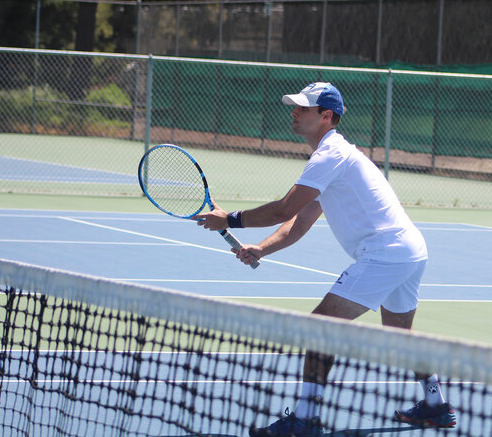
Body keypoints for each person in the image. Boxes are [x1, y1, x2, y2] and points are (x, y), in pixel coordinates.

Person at [193, 82, 456, 436]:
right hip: (409, 251)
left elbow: (284, 208)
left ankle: (305, 419)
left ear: (326, 116)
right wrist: (262, 248)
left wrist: (230, 220)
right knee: (400, 336)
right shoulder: (336, 158)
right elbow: (297, 221)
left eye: (303, 107)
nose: (294, 112)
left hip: (387, 254)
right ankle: (437, 405)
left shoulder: (330, 155)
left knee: (320, 328)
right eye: (295, 106)